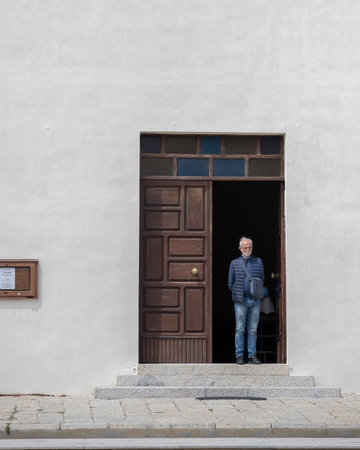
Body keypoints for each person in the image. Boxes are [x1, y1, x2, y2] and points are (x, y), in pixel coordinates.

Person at [228, 237, 264, 365]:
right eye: (245, 248)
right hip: (240, 301)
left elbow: (262, 280)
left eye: (249, 247)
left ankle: (252, 356)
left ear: (252, 247)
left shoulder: (258, 262)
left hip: (255, 301)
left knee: (253, 329)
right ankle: (239, 356)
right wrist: (238, 292)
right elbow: (230, 283)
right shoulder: (234, 263)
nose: (247, 250)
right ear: (240, 249)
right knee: (240, 329)